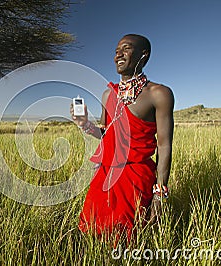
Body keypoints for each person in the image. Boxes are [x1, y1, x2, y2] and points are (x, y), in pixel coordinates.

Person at [71, 34, 174, 243]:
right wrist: (84, 124)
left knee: (127, 237)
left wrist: (160, 194)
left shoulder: (159, 94)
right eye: (117, 50)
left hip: (136, 175)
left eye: (126, 48)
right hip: (105, 174)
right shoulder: (108, 94)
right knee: (94, 233)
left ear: (143, 55)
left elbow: (164, 145)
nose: (118, 53)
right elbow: (106, 134)